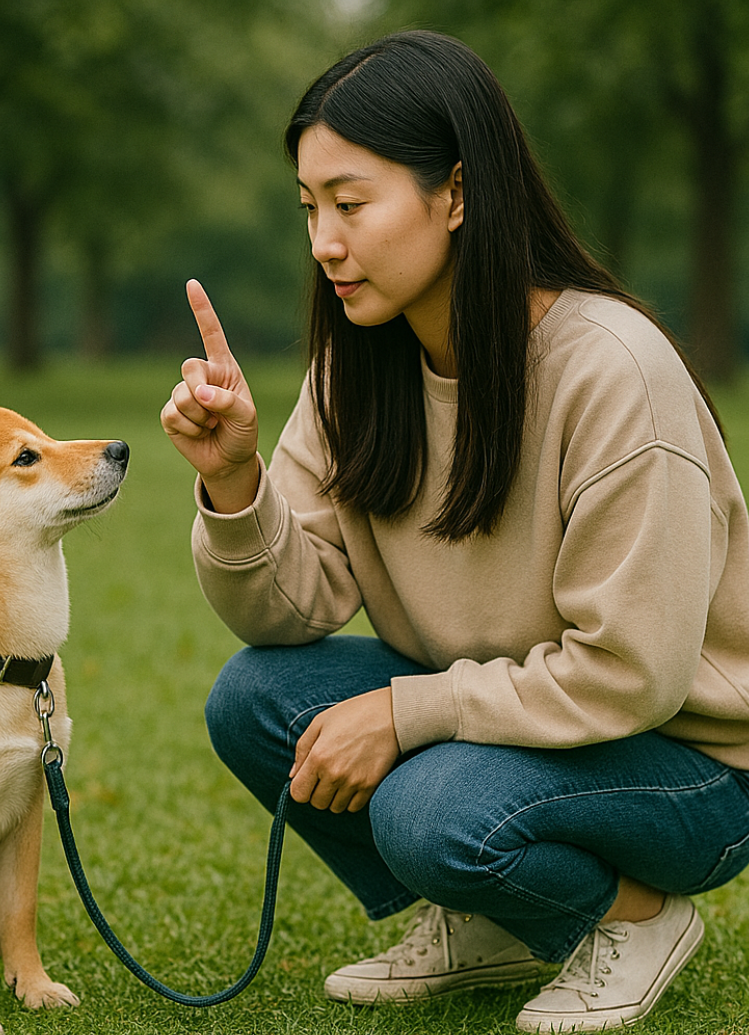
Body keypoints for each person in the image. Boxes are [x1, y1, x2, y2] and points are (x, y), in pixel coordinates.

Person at [160, 28, 749, 1034]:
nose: (324, 242)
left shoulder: (612, 370)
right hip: (512, 722)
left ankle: (635, 914)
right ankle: (496, 921)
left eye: (350, 204)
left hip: (684, 763)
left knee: (427, 808)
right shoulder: (360, 363)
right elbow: (285, 613)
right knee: (255, 702)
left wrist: (409, 712)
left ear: (458, 194)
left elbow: (632, 673)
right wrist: (234, 483)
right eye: (309, 208)